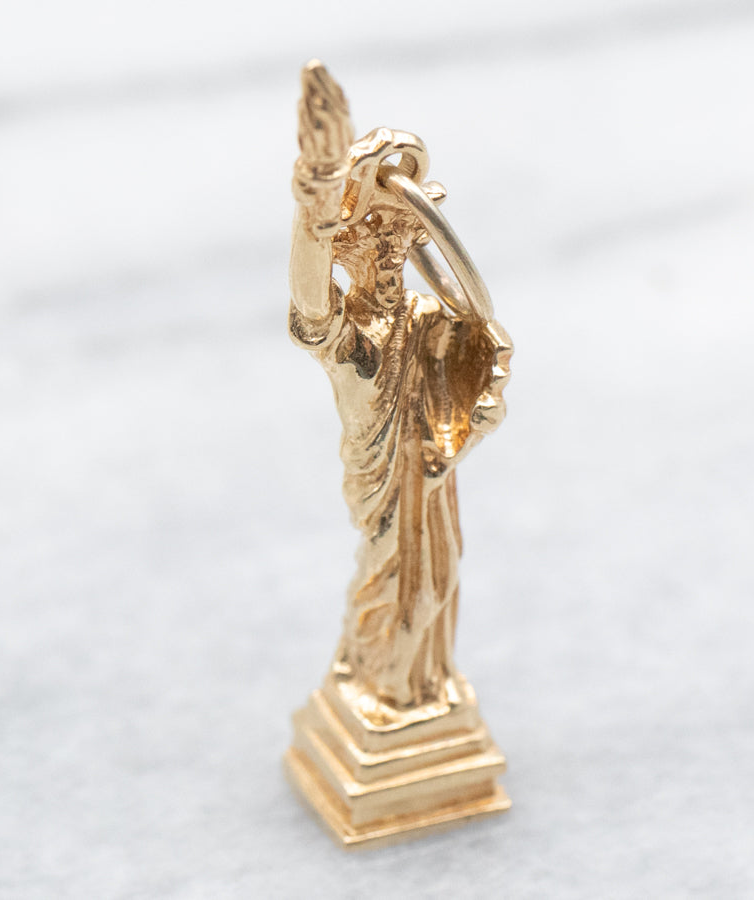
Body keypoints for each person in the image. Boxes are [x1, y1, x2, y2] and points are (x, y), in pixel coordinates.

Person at [289, 62, 511, 713]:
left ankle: (416, 684)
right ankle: (381, 685)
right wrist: (316, 208)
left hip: (428, 474)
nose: (388, 268)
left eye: (397, 255)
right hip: (383, 478)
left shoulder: (424, 317)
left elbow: (471, 338)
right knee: (393, 582)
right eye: (376, 257)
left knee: (438, 579)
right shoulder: (347, 335)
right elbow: (309, 302)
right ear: (353, 262)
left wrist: (480, 384)